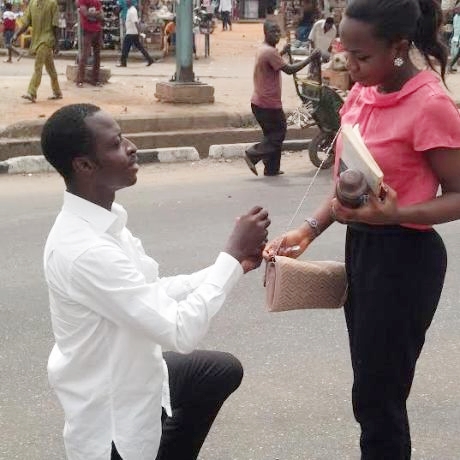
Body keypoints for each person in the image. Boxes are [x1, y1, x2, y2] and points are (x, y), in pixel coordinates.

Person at [264, 0, 460, 458]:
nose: (349, 66)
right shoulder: (363, 92)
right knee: (370, 391)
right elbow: (348, 183)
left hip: (406, 259)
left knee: (379, 397)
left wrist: (395, 214)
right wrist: (309, 229)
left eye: (362, 56)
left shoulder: (430, 104)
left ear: (399, 48)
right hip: (364, 249)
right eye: (344, 52)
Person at [40, 103, 270, 460]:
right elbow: (180, 331)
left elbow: (152, 290)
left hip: (139, 374)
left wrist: (236, 264)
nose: (131, 147)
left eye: (123, 137)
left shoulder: (106, 221)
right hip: (114, 422)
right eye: (115, 144)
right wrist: (230, 254)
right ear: (84, 165)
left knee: (218, 372)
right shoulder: (85, 250)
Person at [244, 20, 321, 177]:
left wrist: (283, 52)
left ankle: (271, 169)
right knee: (278, 134)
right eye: (273, 31)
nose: (277, 34)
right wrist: (310, 58)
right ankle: (252, 154)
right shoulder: (269, 52)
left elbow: (273, 62)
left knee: (271, 135)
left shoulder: (265, 49)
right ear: (265, 33)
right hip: (267, 104)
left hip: (260, 102)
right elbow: (289, 69)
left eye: (278, 31)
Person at [11, 0, 62, 102]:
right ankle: (57, 92)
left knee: (38, 66)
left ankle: (31, 92)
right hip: (37, 40)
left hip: (47, 40)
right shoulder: (32, 4)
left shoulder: (52, 3)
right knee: (50, 69)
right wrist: (16, 34)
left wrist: (57, 44)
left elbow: (56, 25)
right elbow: (26, 23)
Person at [117, 0, 154, 67]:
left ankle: (123, 63)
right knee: (140, 47)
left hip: (131, 33)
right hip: (132, 32)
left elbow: (135, 22)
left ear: (130, 2)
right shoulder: (130, 10)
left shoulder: (132, 11)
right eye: (126, 1)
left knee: (125, 48)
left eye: (127, 1)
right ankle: (150, 59)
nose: (126, 2)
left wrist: (139, 32)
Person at [77, 0, 103, 87]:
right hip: (87, 30)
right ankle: (80, 80)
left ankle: (95, 79)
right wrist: (97, 14)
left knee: (97, 55)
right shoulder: (82, 1)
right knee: (85, 54)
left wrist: (92, 14)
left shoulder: (97, 1)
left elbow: (102, 16)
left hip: (98, 29)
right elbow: (85, 14)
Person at [448, 1, 460, 71]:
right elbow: (454, 28)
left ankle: (452, 67)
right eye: (456, 9)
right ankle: (453, 67)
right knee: (452, 53)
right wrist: (451, 37)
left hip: (458, 39)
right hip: (454, 38)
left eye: (457, 9)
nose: (456, 10)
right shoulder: (455, 17)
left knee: (456, 54)